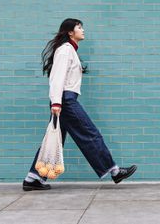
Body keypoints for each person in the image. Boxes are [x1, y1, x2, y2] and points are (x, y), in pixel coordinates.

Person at [22, 18, 137, 191]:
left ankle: (33, 178)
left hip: (65, 100)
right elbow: (57, 78)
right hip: (65, 101)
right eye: (79, 27)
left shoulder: (70, 51)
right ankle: (114, 171)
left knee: (54, 141)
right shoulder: (65, 50)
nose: (83, 30)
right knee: (90, 133)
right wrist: (56, 103)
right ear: (70, 32)